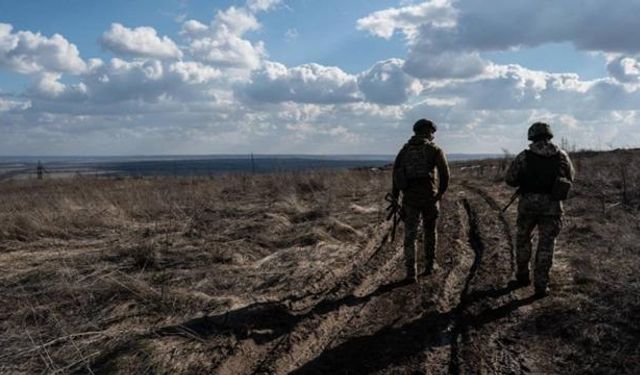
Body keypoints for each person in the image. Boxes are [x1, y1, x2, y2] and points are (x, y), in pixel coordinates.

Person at [505, 122, 575, 297]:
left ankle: (522, 277)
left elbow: (510, 179)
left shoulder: (524, 156)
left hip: (528, 205)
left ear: (532, 136)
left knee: (523, 240)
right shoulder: (562, 155)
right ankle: (541, 286)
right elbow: (571, 176)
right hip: (552, 207)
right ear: (549, 135)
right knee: (546, 246)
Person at [392, 119, 450, 283]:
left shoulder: (404, 151)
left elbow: (395, 175)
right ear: (428, 132)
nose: (433, 136)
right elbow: (445, 175)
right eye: (432, 132)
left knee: (410, 236)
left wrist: (396, 197)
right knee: (430, 231)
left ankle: (411, 273)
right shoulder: (434, 149)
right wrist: (439, 195)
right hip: (429, 198)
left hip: (410, 199)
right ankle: (430, 267)